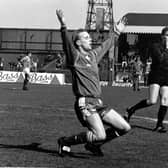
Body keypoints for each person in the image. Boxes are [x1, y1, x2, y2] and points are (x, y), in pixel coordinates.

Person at [56, 9, 131, 157]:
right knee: (100, 134)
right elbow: (67, 44)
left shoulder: (93, 56)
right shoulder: (75, 57)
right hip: (85, 104)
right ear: (78, 43)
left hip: (98, 103)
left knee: (125, 127)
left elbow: (107, 45)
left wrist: (117, 32)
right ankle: (65, 142)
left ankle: (93, 144)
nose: (90, 39)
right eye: (86, 37)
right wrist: (63, 25)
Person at [124, 26, 168, 133]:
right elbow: (160, 59)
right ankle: (131, 110)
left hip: (167, 75)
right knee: (152, 101)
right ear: (162, 36)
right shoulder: (155, 46)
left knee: (165, 100)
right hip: (156, 75)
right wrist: (166, 48)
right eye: (166, 35)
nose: (167, 37)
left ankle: (159, 125)